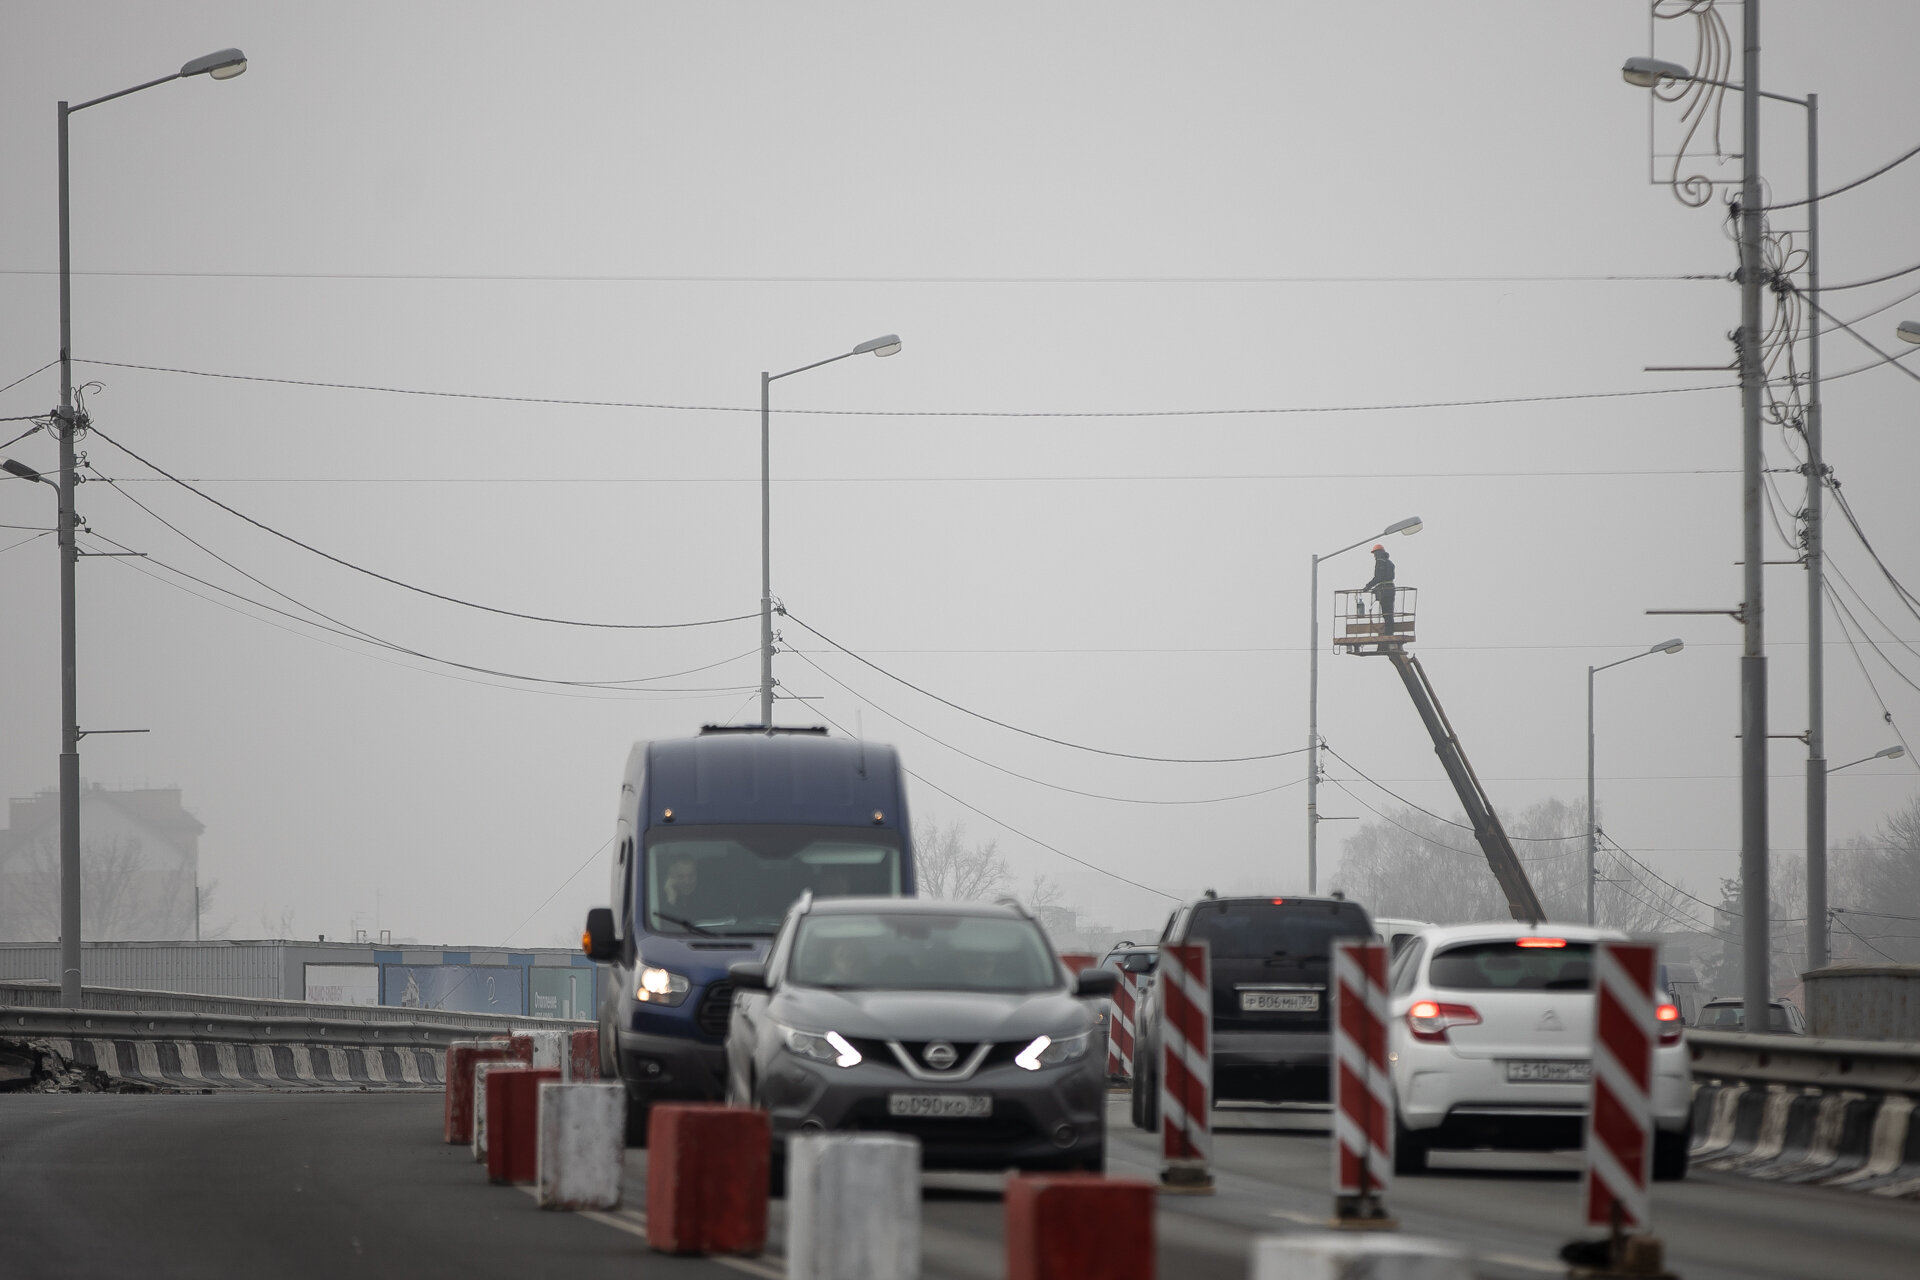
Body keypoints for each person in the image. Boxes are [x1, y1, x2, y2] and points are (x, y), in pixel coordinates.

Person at [1362, 543, 1396, 635]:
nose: (1374, 556)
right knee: (1389, 612)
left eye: (1375, 554)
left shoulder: (1380, 562)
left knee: (1386, 612)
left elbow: (1379, 577)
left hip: (1385, 591)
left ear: (1378, 553)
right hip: (1390, 589)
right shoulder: (1389, 563)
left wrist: (1368, 586)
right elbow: (1384, 578)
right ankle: (1390, 631)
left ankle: (1388, 632)